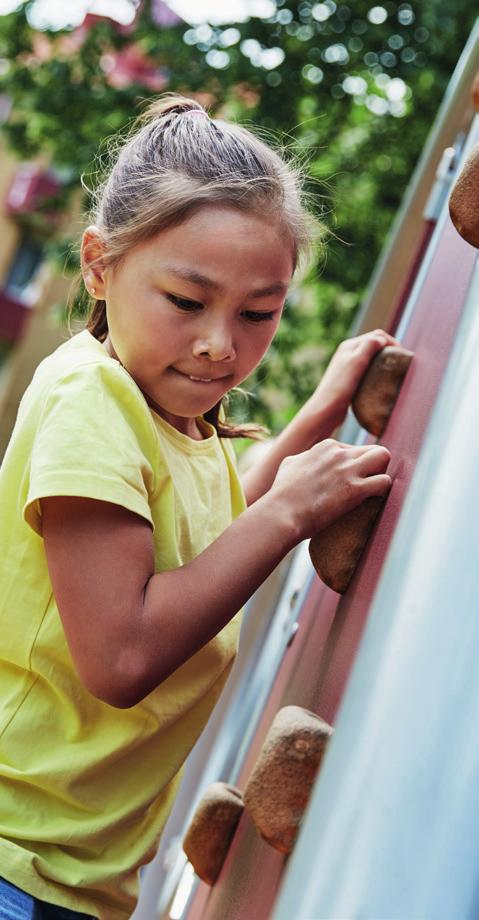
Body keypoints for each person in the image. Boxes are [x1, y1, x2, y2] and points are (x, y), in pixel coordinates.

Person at [0, 95, 397, 919]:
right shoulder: (90, 399)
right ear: (99, 266)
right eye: (187, 302)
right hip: (18, 855)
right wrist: (289, 515)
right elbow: (121, 656)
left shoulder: (170, 420)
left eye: (259, 312)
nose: (223, 342)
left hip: (70, 871)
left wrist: (316, 418)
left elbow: (205, 547)